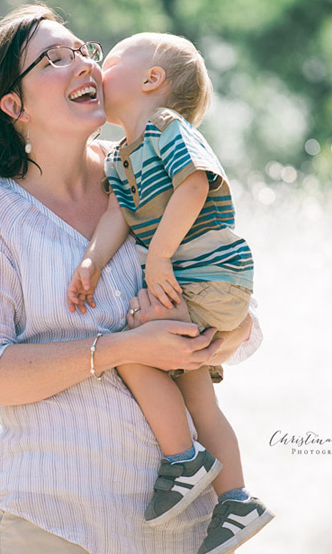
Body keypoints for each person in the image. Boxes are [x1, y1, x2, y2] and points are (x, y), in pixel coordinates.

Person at [0, 4, 262, 554]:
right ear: (14, 105)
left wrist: (208, 338)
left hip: (184, 538)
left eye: (83, 50)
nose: (85, 64)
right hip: (53, 524)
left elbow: (245, 323)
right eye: (53, 59)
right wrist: (118, 349)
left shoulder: (145, 161)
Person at [65, 32, 274, 554]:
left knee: (129, 346)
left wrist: (158, 257)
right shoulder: (121, 157)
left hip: (207, 277)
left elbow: (196, 185)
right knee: (199, 394)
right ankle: (236, 502)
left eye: (106, 60)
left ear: (151, 80)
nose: (94, 68)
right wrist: (91, 260)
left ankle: (183, 461)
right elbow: (117, 214)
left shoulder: (166, 128)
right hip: (194, 282)